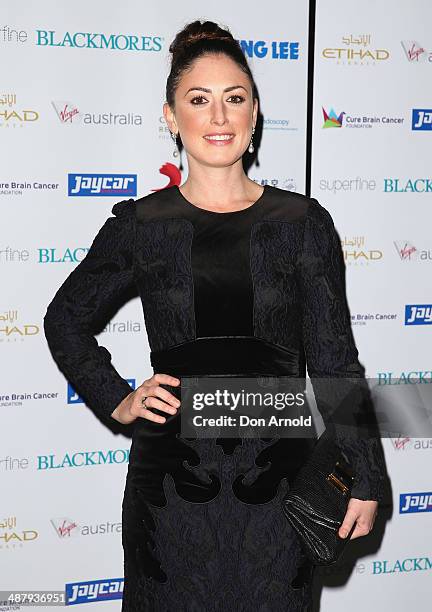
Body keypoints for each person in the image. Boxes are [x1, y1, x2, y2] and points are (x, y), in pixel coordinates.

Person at [43, 19, 385, 612]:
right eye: (198, 101)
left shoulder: (303, 225)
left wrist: (367, 476)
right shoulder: (141, 226)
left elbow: (334, 364)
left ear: (255, 113)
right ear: (172, 117)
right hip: (170, 497)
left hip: (280, 494)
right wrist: (117, 396)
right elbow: (64, 320)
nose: (219, 116)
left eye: (235, 99)